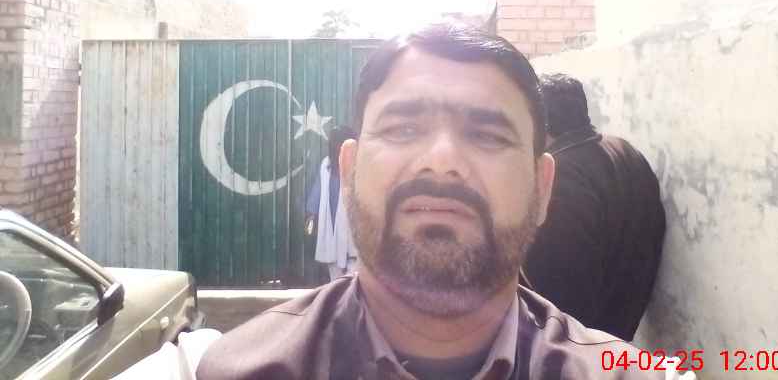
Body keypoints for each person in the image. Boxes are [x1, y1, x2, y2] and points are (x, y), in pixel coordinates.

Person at [115, 25, 691, 380]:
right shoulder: (208, 370)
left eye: (488, 135)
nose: (441, 160)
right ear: (348, 172)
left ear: (543, 190)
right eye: (403, 128)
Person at [522, 73, 666, 341]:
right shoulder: (626, 151)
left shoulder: (560, 179)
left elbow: (559, 289)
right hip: (619, 329)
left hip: (575, 341)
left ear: (540, 123)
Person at [305, 125, 359, 281]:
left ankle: (351, 288)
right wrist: (311, 215)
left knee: (352, 255)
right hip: (332, 218)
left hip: (351, 219)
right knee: (333, 257)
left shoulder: (360, 164)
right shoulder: (326, 165)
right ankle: (339, 289)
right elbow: (318, 189)